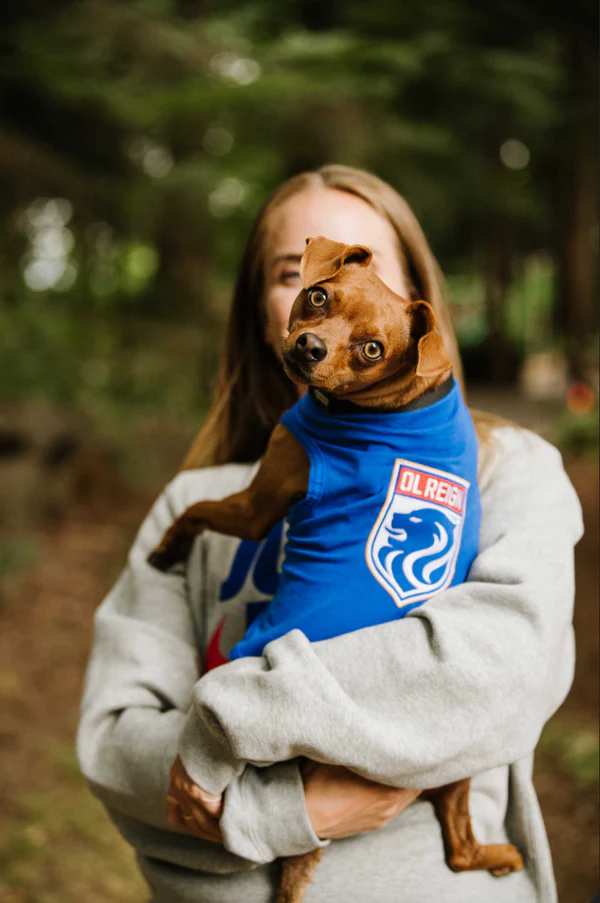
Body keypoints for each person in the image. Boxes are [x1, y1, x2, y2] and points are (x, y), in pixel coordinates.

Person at [77, 164, 583, 903]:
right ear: (261, 305)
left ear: (418, 318)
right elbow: (114, 743)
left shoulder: (509, 472)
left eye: (373, 269)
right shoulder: (191, 504)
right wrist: (291, 810)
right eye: (298, 276)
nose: (328, 330)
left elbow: (498, 676)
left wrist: (234, 726)